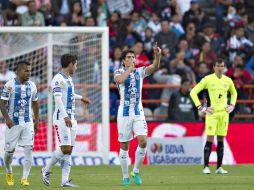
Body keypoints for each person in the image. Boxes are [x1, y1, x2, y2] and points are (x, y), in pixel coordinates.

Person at [114, 43, 161, 186]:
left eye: (133, 57)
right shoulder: (118, 72)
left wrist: (157, 56)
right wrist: (129, 69)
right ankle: (125, 176)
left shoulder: (140, 72)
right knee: (124, 145)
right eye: (128, 57)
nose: (131, 59)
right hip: (124, 113)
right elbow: (120, 80)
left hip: (138, 112)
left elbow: (154, 68)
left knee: (143, 141)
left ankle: (136, 170)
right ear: (123, 61)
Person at [41, 54, 90, 187]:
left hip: (71, 117)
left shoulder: (68, 78)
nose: (76, 66)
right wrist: (65, 116)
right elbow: (57, 99)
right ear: (70, 64)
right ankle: (46, 170)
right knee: (65, 148)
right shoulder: (57, 79)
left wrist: (80, 97)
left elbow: (68, 94)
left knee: (70, 150)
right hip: (62, 118)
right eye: (75, 64)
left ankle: (64, 181)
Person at [190, 58, 237, 174]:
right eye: (218, 66)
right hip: (212, 113)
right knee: (210, 138)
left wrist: (232, 105)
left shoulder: (228, 80)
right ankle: (206, 167)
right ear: (214, 67)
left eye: (222, 66)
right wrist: (200, 107)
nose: (220, 68)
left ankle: (219, 168)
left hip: (224, 114)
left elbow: (234, 93)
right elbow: (193, 92)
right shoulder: (208, 79)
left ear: (224, 67)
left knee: (221, 139)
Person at [0, 61, 39, 186]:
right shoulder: (9, 85)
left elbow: (35, 103)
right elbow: (2, 103)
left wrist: (37, 120)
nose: (29, 73)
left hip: (28, 122)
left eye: (30, 70)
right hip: (13, 123)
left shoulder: (32, 85)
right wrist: (7, 119)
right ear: (18, 71)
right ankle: (9, 171)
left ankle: (24, 178)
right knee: (9, 152)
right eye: (26, 70)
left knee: (29, 149)